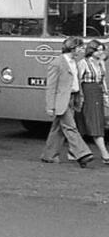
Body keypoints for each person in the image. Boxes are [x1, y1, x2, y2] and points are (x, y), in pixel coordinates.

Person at [41, 37, 94, 167]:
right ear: (73, 48)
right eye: (80, 47)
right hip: (61, 101)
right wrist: (50, 106)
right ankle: (83, 154)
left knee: (58, 129)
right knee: (70, 127)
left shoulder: (74, 62)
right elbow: (51, 86)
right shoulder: (57, 63)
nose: (82, 50)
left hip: (72, 98)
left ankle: (49, 155)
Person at [76, 40, 109, 165]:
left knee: (95, 121)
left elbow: (103, 80)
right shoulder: (83, 63)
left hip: (97, 93)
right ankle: (105, 154)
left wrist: (106, 95)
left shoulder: (101, 63)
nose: (101, 52)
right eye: (98, 49)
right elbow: (78, 80)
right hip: (87, 93)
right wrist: (79, 96)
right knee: (92, 122)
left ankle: (74, 151)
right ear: (92, 50)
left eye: (102, 49)